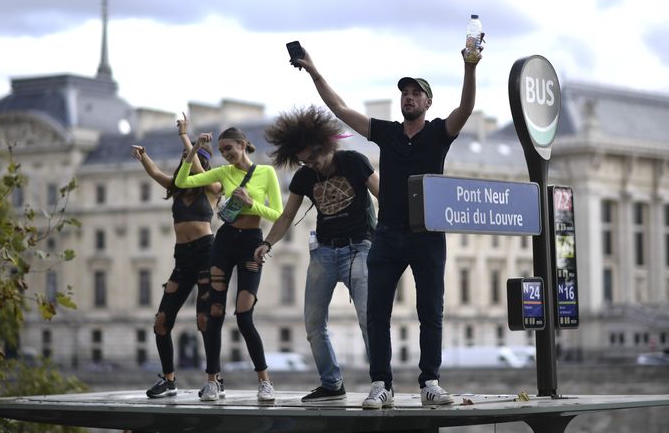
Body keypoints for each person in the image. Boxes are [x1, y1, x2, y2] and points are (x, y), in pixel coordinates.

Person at [292, 41, 482, 408]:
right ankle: (382, 383)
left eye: (416, 94)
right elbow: (340, 109)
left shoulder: (439, 133)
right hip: (388, 234)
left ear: (428, 103)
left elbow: (468, 107)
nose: (409, 98)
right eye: (405, 93)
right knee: (377, 311)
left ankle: (430, 381)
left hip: (427, 233)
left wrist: (470, 67)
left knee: (431, 311)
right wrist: (315, 72)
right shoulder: (387, 133)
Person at [253, 105, 379, 402]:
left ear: (326, 145)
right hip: (323, 251)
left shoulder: (354, 162)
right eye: (305, 161)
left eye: (315, 158)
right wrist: (267, 243)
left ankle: (381, 382)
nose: (313, 165)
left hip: (359, 247)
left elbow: (382, 193)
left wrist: (393, 233)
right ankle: (332, 384)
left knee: (368, 318)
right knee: (312, 323)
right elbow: (285, 217)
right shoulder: (304, 177)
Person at [175, 127, 283, 402]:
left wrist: (251, 204)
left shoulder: (266, 173)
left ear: (244, 144)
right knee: (215, 313)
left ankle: (265, 382)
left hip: (251, 242)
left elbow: (279, 214)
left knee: (244, 315)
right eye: (222, 151)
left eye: (229, 149)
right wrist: (195, 144)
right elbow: (183, 180)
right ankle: (212, 381)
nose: (226, 155)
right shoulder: (223, 173)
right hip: (223, 243)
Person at [131, 114, 224, 399]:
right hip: (182, 257)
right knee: (161, 321)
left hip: (206, 253)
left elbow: (196, 166)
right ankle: (169, 380)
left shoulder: (213, 188)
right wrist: (144, 158)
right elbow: (157, 174)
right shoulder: (175, 188)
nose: (189, 159)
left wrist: (189, 142)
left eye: (195, 158)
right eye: (185, 156)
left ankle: (213, 379)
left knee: (203, 320)